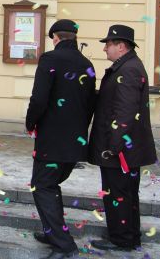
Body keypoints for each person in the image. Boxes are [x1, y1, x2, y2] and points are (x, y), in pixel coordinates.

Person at [25, 20, 96, 259]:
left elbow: (39, 98)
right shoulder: (87, 64)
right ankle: (52, 231)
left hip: (52, 140)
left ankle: (64, 245)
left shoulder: (49, 59)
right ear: (74, 37)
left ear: (55, 37)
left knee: (42, 185)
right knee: (50, 185)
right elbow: (89, 106)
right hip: (74, 141)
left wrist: (30, 123)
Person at [88, 24, 157, 252]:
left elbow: (126, 112)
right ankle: (128, 235)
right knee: (125, 194)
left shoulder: (128, 70)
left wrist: (114, 147)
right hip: (124, 149)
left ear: (121, 45)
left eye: (108, 44)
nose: (105, 49)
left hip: (121, 151)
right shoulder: (126, 67)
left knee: (118, 194)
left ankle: (121, 238)